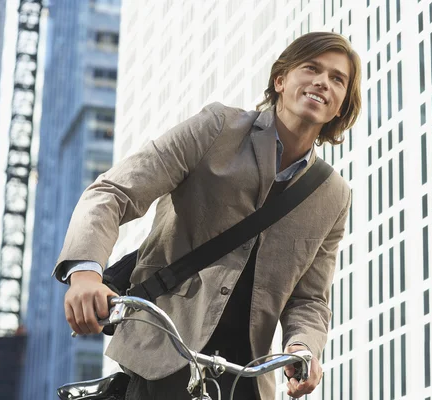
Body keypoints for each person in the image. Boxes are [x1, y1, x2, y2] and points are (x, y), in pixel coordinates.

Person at [53, 31, 362, 399]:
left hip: (245, 378)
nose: (322, 82)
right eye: (311, 68)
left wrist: (302, 347)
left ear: (341, 104)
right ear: (280, 80)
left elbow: (310, 298)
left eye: (336, 79)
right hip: (163, 353)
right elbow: (114, 191)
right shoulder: (218, 128)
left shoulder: (333, 195)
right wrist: (86, 274)